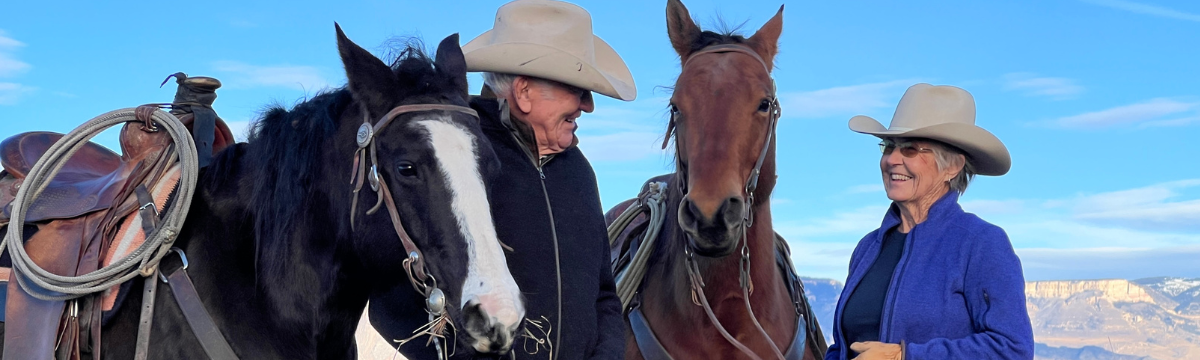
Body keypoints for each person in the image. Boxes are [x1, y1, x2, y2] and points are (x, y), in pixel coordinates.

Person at [368, 0, 635, 359]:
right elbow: (389, 298)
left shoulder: (580, 171)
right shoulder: (454, 159)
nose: (587, 104)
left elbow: (604, 293)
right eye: (576, 87)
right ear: (523, 92)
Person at [825, 84, 1034, 360]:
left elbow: (1012, 349)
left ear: (952, 166)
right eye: (888, 147)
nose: (892, 160)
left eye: (910, 150)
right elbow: (843, 348)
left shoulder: (980, 243)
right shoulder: (868, 248)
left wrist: (904, 356)